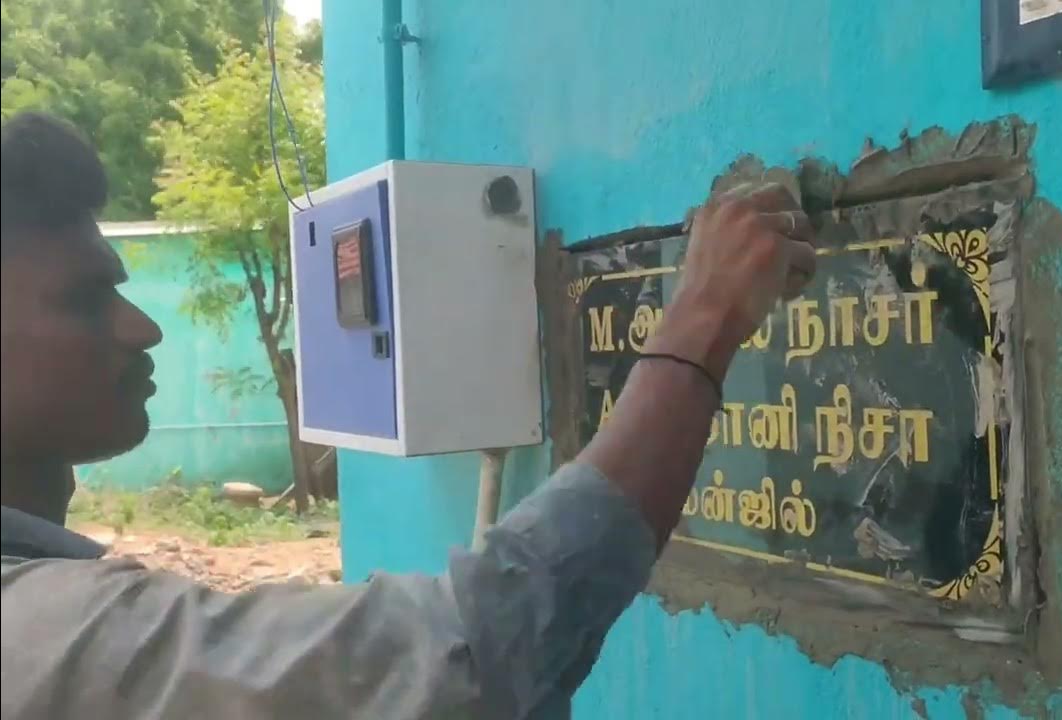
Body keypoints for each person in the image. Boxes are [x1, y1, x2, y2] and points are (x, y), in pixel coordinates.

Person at [0, 111, 816, 719]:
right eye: (83, 299)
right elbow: (477, 647)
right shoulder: (45, 638)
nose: (140, 328)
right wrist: (703, 316)